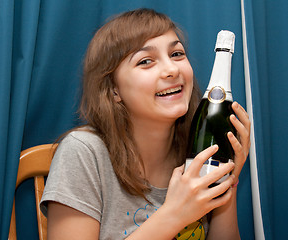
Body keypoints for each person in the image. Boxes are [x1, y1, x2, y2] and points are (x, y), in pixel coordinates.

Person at [40, 8, 251, 240]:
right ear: (113, 90)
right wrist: (174, 216)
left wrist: (228, 180)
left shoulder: (198, 149)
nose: (171, 69)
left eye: (177, 54)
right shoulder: (83, 152)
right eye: (146, 61)